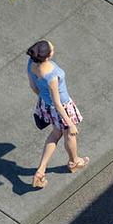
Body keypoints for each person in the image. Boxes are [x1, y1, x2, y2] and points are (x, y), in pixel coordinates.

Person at [26, 40, 89, 189]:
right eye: (51, 48)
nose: (53, 48)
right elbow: (58, 103)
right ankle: (74, 162)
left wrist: (44, 99)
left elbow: (33, 86)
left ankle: (40, 171)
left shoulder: (31, 63)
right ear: (47, 56)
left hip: (45, 104)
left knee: (55, 133)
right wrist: (70, 123)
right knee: (70, 135)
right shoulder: (52, 76)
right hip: (62, 108)